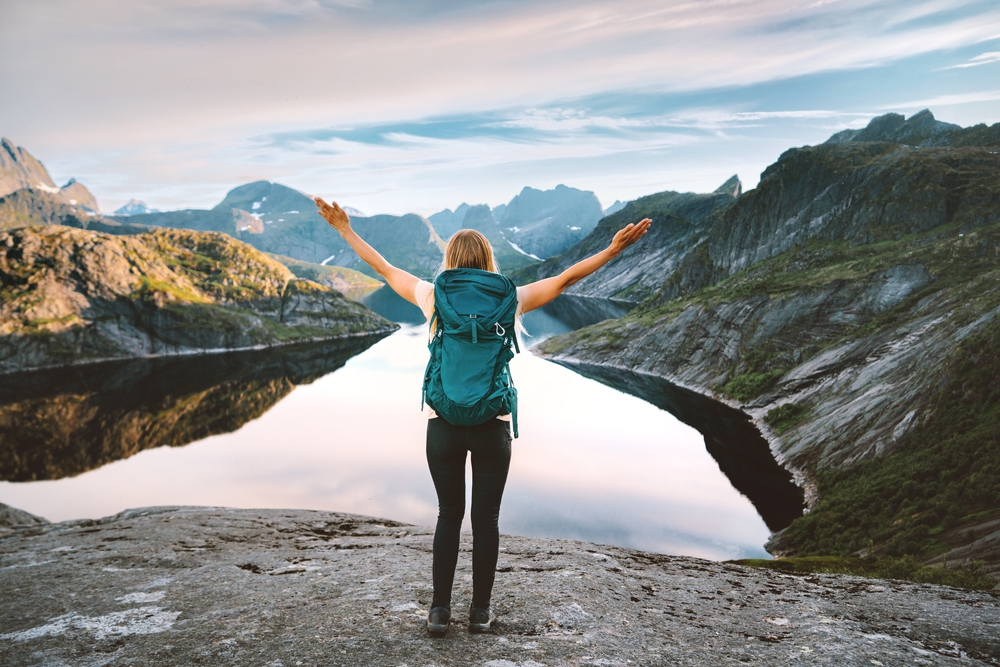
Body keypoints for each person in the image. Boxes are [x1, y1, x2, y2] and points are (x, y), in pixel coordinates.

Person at [314, 197, 650, 635]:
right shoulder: (508, 300)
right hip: (493, 427)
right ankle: (480, 613)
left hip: (444, 426)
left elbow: (383, 268)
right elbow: (565, 279)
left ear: (451, 260)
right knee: (485, 519)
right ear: (488, 260)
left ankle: (438, 612)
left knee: (448, 514)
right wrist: (612, 251)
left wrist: (345, 229)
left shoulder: (434, 296)